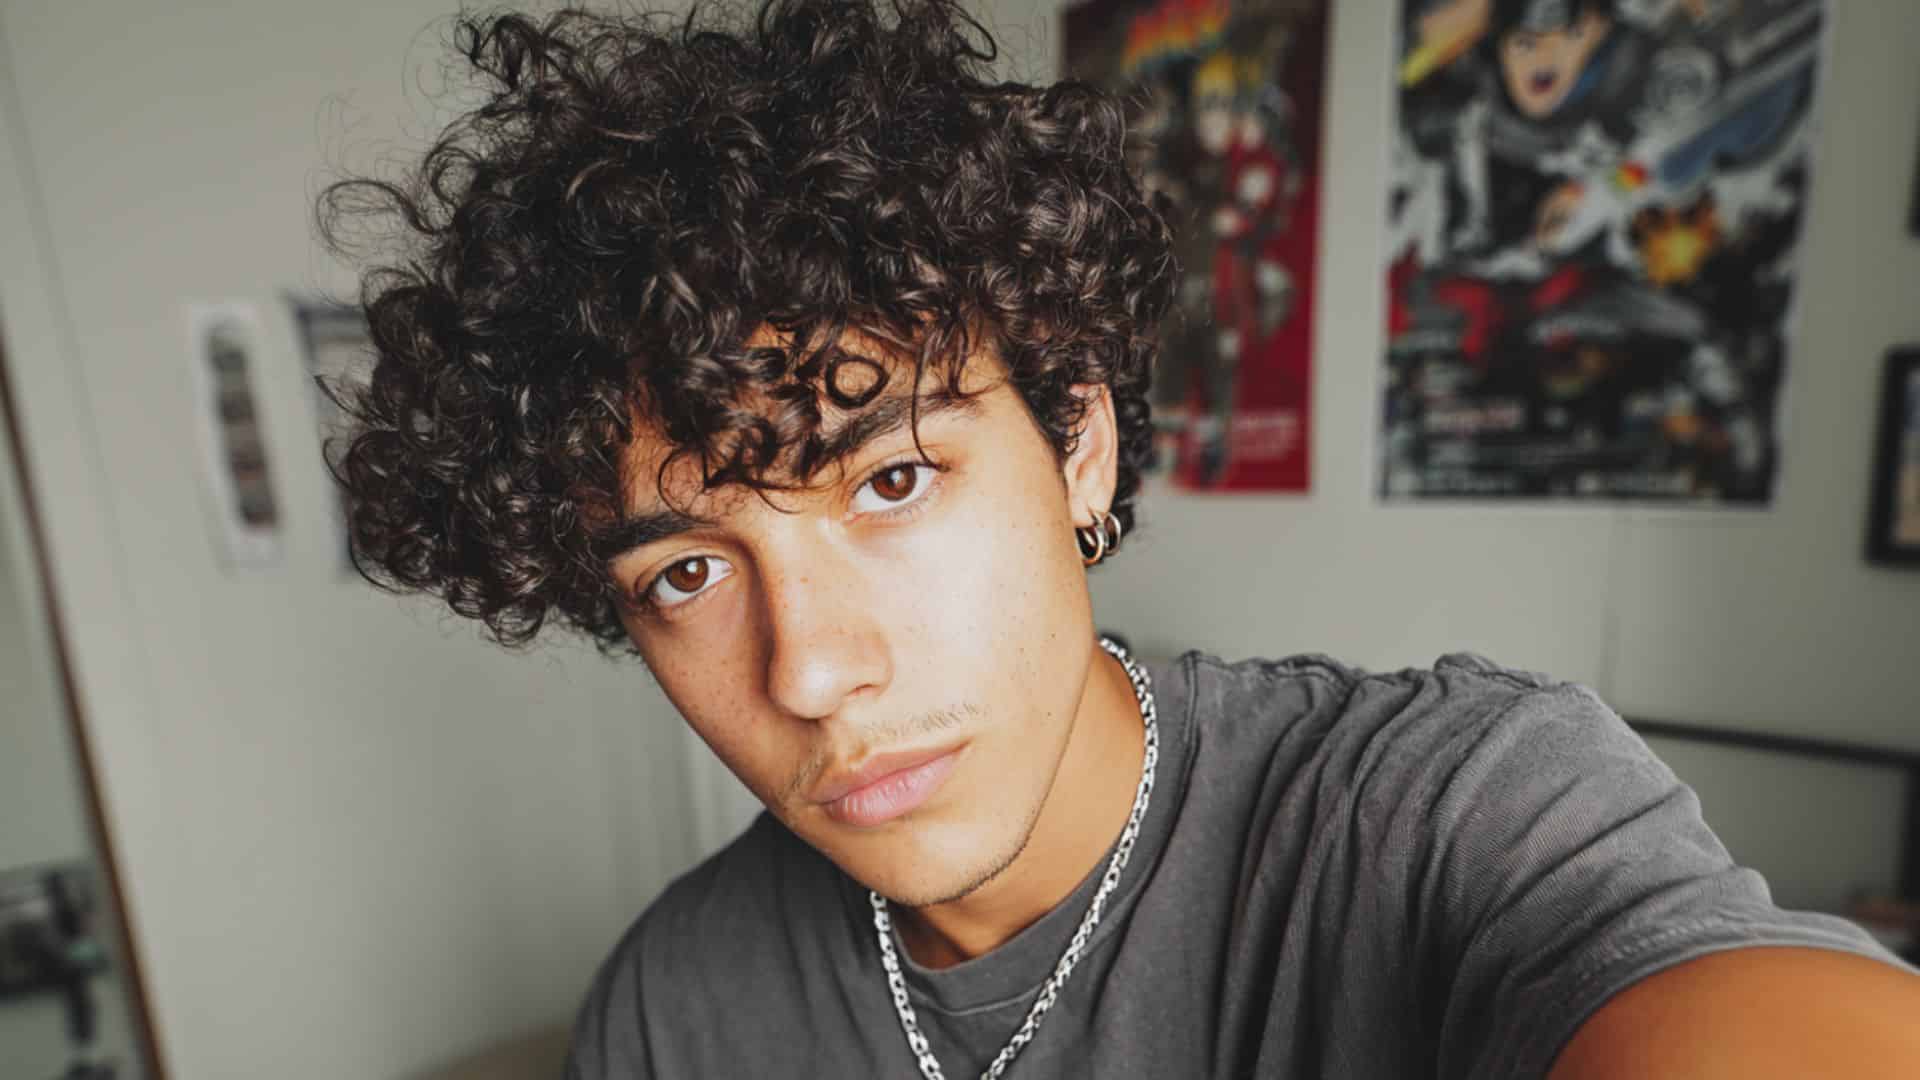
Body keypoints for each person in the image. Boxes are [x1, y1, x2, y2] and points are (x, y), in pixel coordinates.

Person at [319, 2, 1920, 1076]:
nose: (809, 671)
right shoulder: (676, 1011)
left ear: (1076, 443)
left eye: (890, 483)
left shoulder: (1448, 809)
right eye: (687, 572)